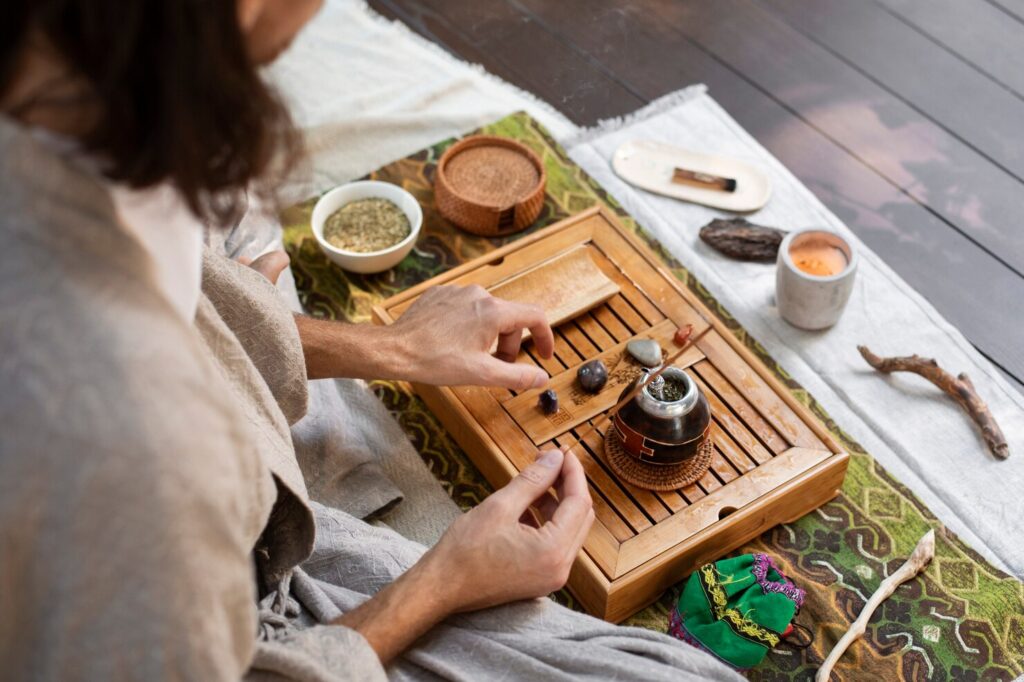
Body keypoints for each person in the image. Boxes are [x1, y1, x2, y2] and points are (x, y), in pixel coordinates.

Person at [0, 1, 740, 680]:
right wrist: (447, 578)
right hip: (232, 609)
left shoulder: (72, 114)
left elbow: (202, 324)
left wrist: (393, 347)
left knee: (235, 223)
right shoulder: (120, 438)